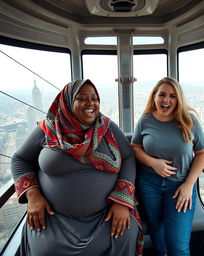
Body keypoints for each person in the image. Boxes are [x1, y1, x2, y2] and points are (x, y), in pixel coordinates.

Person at [11, 79, 143, 256]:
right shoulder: (49, 129)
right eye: (82, 98)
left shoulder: (107, 127)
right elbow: (19, 159)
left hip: (107, 216)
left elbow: (128, 157)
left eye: (95, 98)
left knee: (124, 236)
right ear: (66, 101)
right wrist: (33, 195)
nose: (91, 103)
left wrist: (122, 201)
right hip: (54, 219)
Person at [131, 77, 204, 256]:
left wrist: (189, 185)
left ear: (178, 99)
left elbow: (202, 153)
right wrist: (153, 162)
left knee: (178, 246)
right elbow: (135, 147)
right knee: (157, 234)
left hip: (180, 185)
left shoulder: (190, 121)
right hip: (150, 184)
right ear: (154, 97)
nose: (166, 100)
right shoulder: (145, 120)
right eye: (162, 95)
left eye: (172, 96)